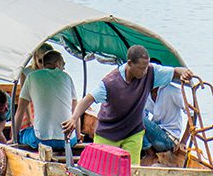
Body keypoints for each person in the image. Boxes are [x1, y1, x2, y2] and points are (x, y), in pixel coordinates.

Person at [64, 45, 192, 164]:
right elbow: (88, 99)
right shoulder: (110, 83)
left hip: (133, 132)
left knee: (131, 172)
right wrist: (74, 118)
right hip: (109, 131)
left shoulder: (151, 72)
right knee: (102, 169)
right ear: (129, 64)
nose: (145, 71)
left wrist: (185, 72)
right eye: (142, 68)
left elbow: (175, 71)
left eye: (147, 67)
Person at [14, 49, 77, 152]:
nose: (64, 67)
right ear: (57, 64)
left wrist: (14, 138)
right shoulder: (67, 77)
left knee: (22, 134)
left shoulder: (31, 77)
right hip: (68, 140)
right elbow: (75, 110)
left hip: (41, 139)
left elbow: (20, 110)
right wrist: (77, 137)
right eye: (63, 63)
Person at [143, 77, 187, 154]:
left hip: (169, 139)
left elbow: (192, 113)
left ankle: (149, 154)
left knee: (136, 117)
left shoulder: (171, 90)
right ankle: (148, 151)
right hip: (154, 137)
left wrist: (183, 142)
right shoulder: (145, 94)